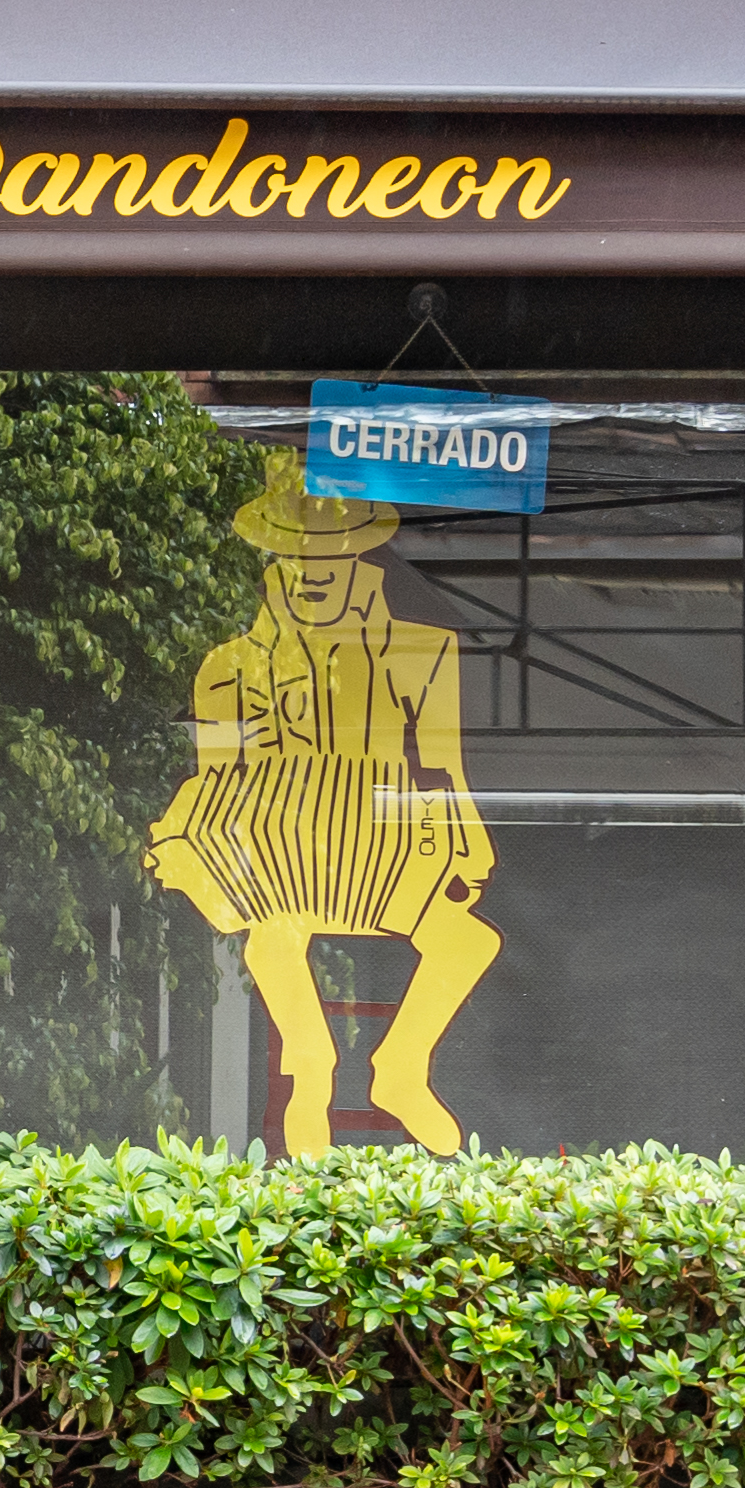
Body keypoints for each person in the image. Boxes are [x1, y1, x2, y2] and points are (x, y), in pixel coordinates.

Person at [146, 452, 500, 1156]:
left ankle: (400, 1067)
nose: (312, 574)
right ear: (272, 560)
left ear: (360, 556)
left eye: (328, 559)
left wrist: (471, 839)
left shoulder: (421, 652)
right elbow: (218, 781)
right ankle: (312, 1070)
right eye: (294, 556)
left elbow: (440, 765)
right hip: (282, 857)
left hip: (380, 846)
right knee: (273, 933)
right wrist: (202, 848)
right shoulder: (226, 666)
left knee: (468, 939)